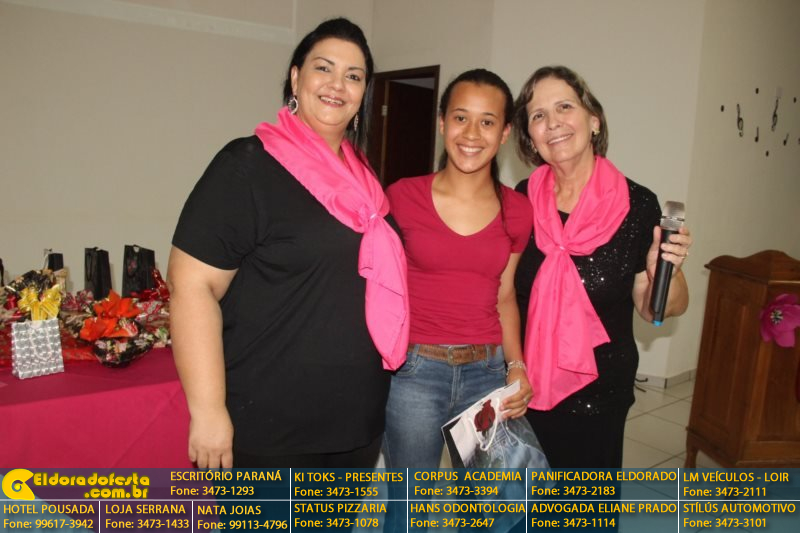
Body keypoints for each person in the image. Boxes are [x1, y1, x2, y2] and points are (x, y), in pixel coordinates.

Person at [167, 18, 408, 468]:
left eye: (353, 76)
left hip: (355, 422)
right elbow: (192, 286)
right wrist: (208, 410)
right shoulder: (246, 166)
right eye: (324, 68)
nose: (337, 85)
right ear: (296, 78)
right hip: (270, 427)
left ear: (363, 94)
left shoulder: (364, 180)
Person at [512, 65, 692, 468]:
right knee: (524, 502)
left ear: (593, 120)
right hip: (527, 386)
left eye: (564, 107)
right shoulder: (522, 198)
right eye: (538, 115)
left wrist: (667, 270)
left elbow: (657, 309)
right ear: (530, 136)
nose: (552, 123)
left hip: (599, 395)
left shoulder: (637, 204)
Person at [383, 69, 533, 469]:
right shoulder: (401, 196)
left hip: (487, 374)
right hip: (414, 372)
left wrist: (516, 366)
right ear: (442, 123)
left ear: (504, 133)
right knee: (410, 500)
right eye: (461, 117)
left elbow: (505, 295)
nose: (471, 133)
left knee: (484, 501)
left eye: (487, 122)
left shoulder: (518, 210)